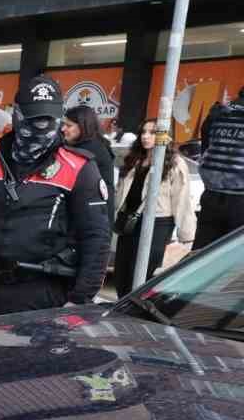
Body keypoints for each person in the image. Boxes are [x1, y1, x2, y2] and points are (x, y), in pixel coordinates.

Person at [0, 76, 111, 322]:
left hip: (42, 296)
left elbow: (97, 239)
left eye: (48, 120)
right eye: (32, 119)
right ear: (16, 115)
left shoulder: (79, 168)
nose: (40, 127)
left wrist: (79, 300)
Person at [112, 119, 195, 296]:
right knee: (122, 272)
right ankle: (121, 308)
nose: (145, 136)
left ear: (164, 136)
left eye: (152, 132)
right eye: (143, 132)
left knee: (143, 274)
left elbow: (181, 200)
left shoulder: (174, 163)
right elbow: (121, 193)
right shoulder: (134, 159)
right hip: (129, 221)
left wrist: (186, 234)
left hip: (158, 223)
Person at [193, 95, 244, 250]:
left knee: (202, 253)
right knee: (233, 260)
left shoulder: (218, 113)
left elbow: (205, 148)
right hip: (239, 199)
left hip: (211, 195)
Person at [63, 105, 116, 196]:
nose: (63, 129)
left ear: (83, 126)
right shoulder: (95, 144)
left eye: (69, 125)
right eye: (64, 124)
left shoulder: (88, 150)